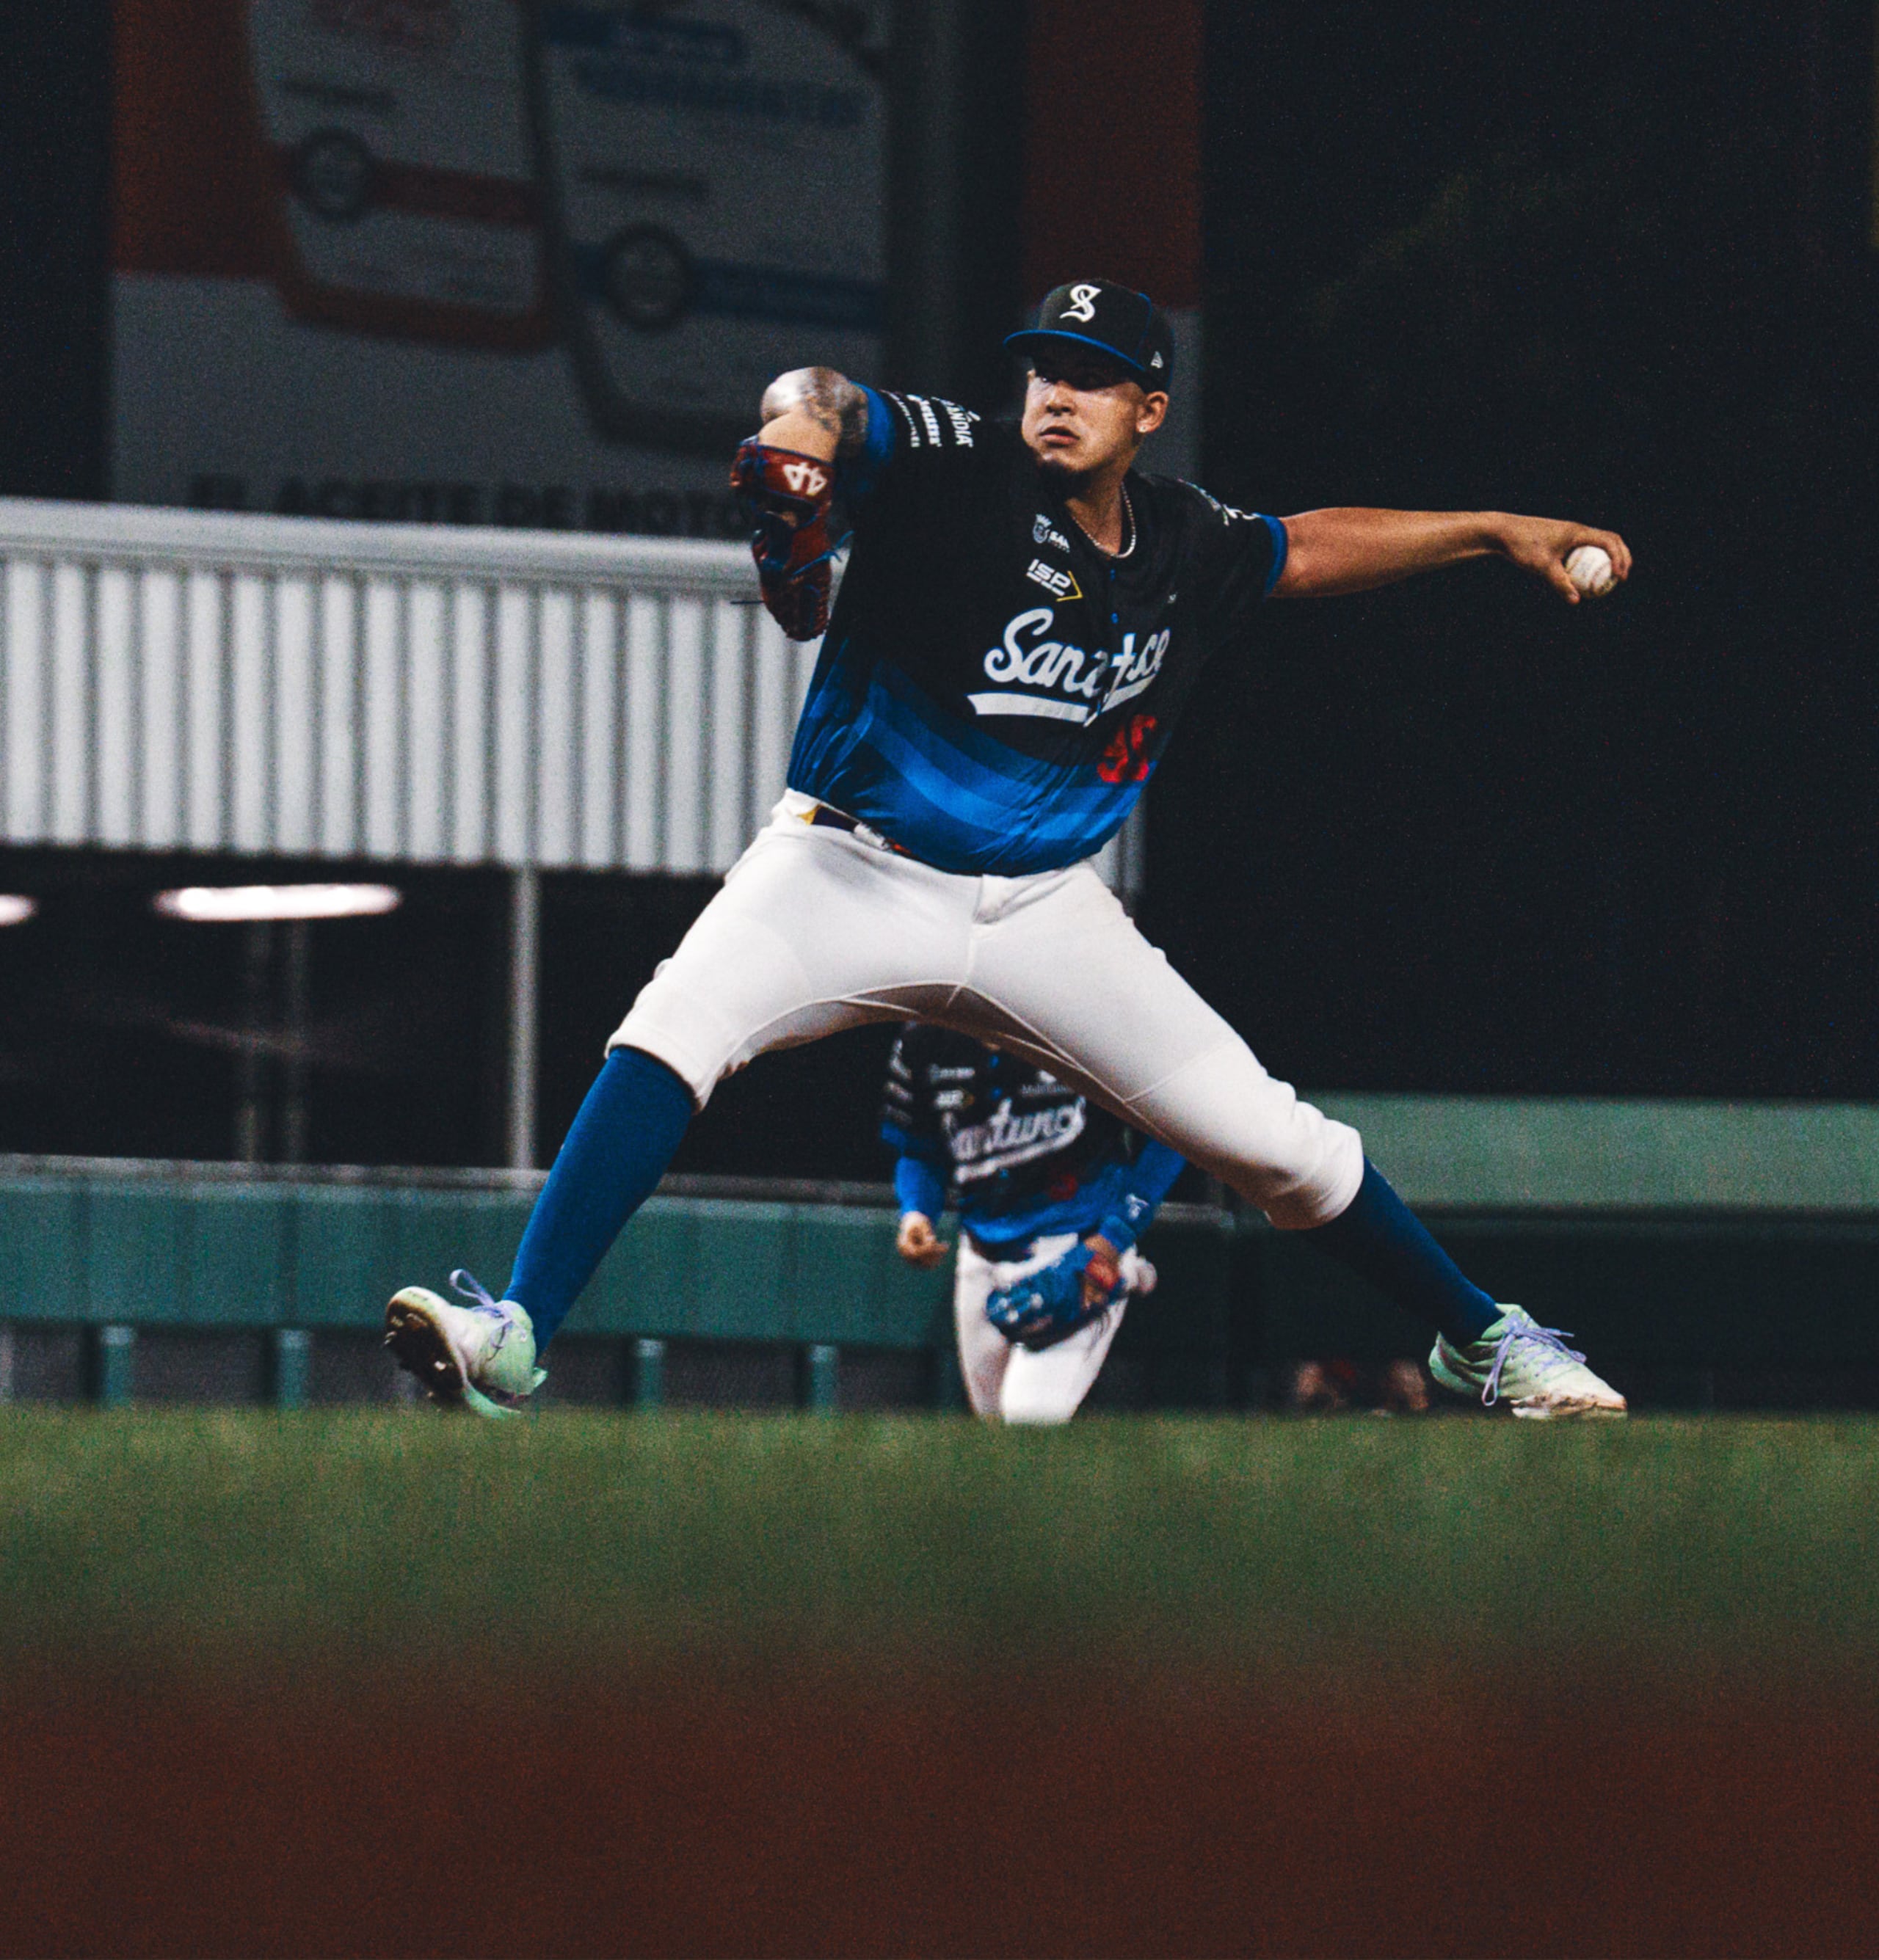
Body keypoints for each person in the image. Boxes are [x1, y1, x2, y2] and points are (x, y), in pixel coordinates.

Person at [384, 277, 1631, 1421]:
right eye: (1041, 370)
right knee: (670, 1033)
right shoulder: (958, 465)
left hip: (1043, 908)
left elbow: (1303, 545)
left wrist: (1489, 528)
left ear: (1149, 408)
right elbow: (814, 402)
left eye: (1088, 376)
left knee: (1277, 1143)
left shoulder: (1184, 545)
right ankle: (516, 1331)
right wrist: (795, 467)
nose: (1054, 396)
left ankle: (1485, 1339)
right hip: (847, 867)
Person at [883, 1023, 1183, 1424]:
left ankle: (1124, 1271)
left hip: (1077, 1251)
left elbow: (1170, 1131)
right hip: (981, 1258)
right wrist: (917, 1211)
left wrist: (1115, 1239)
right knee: (997, 1441)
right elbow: (919, 1151)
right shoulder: (925, 1038)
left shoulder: (1077, 1020)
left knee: (1027, 1420)